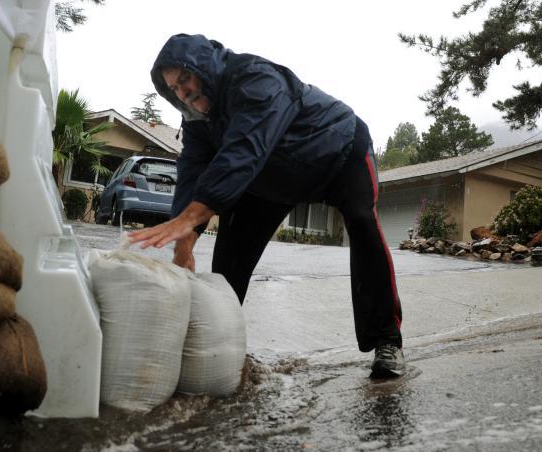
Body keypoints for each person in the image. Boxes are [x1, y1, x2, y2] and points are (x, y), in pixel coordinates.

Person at [129, 33, 404, 377]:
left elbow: (244, 149)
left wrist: (195, 215)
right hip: (270, 177)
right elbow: (193, 170)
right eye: (175, 89)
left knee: (363, 224)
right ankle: (215, 347)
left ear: (204, 67)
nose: (183, 92)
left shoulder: (256, 78)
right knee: (229, 263)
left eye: (185, 78)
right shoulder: (198, 118)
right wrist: (184, 246)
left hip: (337, 152)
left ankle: (387, 341)